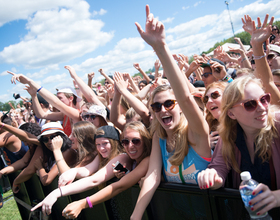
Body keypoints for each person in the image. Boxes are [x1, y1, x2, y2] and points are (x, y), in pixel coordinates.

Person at [130, 5, 212, 219]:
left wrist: (160, 47)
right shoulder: (160, 137)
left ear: (180, 108)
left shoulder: (197, 132)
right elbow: (153, 176)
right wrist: (135, 216)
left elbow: (185, 97)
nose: (162, 110)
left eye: (169, 104)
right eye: (156, 107)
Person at [197, 75, 280, 216]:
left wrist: (277, 197)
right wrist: (213, 177)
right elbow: (219, 167)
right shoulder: (229, 135)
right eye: (250, 104)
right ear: (231, 113)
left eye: (264, 99)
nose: (261, 108)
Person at [32, 121, 152, 218]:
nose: (130, 146)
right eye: (126, 142)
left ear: (115, 143)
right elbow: (87, 171)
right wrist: (73, 171)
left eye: (136, 141)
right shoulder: (103, 157)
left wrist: (59, 193)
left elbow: (95, 180)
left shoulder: (122, 158)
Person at [11, 122, 74, 192]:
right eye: (45, 139)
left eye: (53, 137)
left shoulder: (68, 152)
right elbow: (27, 138)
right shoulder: (48, 151)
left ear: (61, 136)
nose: (49, 141)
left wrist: (40, 168)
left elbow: (46, 181)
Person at [203, 81, 228, 148]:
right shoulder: (207, 127)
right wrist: (205, 145)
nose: (209, 101)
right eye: (206, 99)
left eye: (215, 95)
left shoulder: (242, 124)